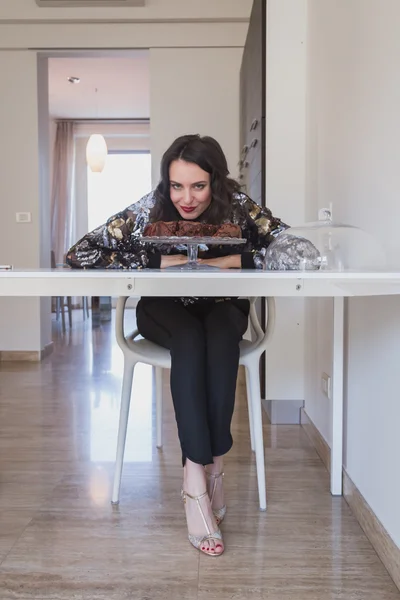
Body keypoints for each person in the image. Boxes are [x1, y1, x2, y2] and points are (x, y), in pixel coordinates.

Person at [67, 134, 287, 557]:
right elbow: (82, 253)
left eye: (198, 186)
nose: (186, 198)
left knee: (221, 338)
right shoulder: (151, 209)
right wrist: (162, 261)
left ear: (216, 181)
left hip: (222, 307)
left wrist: (222, 262)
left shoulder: (239, 206)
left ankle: (214, 468)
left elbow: (292, 251)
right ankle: (194, 481)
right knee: (189, 340)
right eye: (177, 186)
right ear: (166, 183)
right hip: (164, 310)